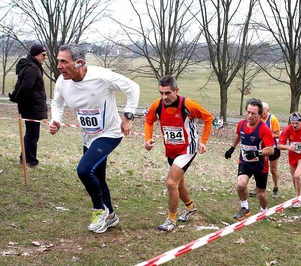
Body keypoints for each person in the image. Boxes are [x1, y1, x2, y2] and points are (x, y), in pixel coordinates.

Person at [49, 43, 140, 234]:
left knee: (84, 170)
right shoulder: (62, 81)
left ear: (79, 62)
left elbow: (133, 88)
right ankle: (111, 216)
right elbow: (56, 103)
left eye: (64, 62)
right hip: (88, 136)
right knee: (98, 177)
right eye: (58, 61)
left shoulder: (101, 76)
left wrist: (128, 116)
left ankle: (99, 209)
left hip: (109, 134)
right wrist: (56, 120)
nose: (59, 66)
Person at [144, 75, 213, 232]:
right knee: (179, 184)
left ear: (176, 90)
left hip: (187, 148)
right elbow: (149, 121)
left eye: (167, 93)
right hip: (171, 149)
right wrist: (148, 139)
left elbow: (208, 118)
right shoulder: (158, 105)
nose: (164, 97)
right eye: (161, 93)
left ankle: (171, 220)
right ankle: (190, 207)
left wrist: (203, 141)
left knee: (171, 183)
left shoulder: (188, 104)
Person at [224, 98, 274, 220]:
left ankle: (263, 212)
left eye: (254, 113)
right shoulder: (241, 124)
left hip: (260, 165)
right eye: (248, 112)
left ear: (260, 115)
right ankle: (245, 207)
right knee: (241, 185)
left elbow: (271, 150)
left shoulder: (264, 129)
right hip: (245, 161)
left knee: (261, 193)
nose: (250, 116)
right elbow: (239, 135)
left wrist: (257, 153)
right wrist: (232, 148)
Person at [15, 43, 48, 169]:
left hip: (31, 106)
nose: (45, 57)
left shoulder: (31, 66)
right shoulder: (32, 69)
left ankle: (23, 158)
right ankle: (31, 162)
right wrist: (19, 100)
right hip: (32, 107)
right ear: (36, 55)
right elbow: (25, 87)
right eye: (43, 55)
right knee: (33, 135)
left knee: (30, 133)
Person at [277, 112, 301, 209]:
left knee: (297, 174)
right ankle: (298, 195)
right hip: (293, 155)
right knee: (294, 177)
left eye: (297, 123)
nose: (294, 125)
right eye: (293, 123)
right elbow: (279, 145)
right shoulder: (287, 129)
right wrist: (288, 147)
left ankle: (299, 197)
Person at [249, 102, 281, 198]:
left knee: (273, 170)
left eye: (264, 111)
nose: (262, 113)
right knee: (259, 168)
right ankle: (258, 187)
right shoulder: (257, 119)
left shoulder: (273, 119)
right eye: (261, 111)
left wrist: (265, 135)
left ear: (268, 110)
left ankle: (276, 188)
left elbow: (278, 134)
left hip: (273, 148)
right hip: (262, 148)